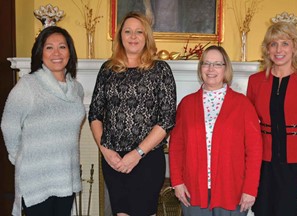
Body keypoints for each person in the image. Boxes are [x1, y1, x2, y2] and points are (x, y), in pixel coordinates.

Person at [88, 11, 176, 216]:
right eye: (128, 31)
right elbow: (95, 114)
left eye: (139, 32)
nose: (133, 37)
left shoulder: (160, 70)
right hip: (113, 160)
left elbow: (167, 119)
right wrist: (106, 152)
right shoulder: (107, 69)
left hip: (147, 160)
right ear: (120, 36)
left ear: (147, 37)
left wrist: (137, 154)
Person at [1, 26, 85, 216]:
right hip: (36, 177)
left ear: (69, 53)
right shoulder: (28, 85)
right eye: (49, 47)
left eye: (62, 47)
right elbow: (8, 124)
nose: (56, 53)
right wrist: (19, 157)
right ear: (40, 53)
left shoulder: (76, 89)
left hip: (65, 175)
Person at [169, 45, 263, 216]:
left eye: (218, 64)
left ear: (226, 68)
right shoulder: (187, 105)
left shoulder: (243, 105)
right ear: (201, 68)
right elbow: (176, 147)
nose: (211, 69)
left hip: (232, 191)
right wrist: (177, 182)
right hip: (193, 191)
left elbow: (254, 151)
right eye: (206, 63)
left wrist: (250, 188)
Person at [247, 22, 297, 216]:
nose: (278, 50)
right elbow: (247, 128)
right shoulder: (255, 81)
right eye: (273, 44)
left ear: (294, 47)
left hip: (296, 169)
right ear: (267, 49)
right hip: (263, 167)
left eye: (284, 43)